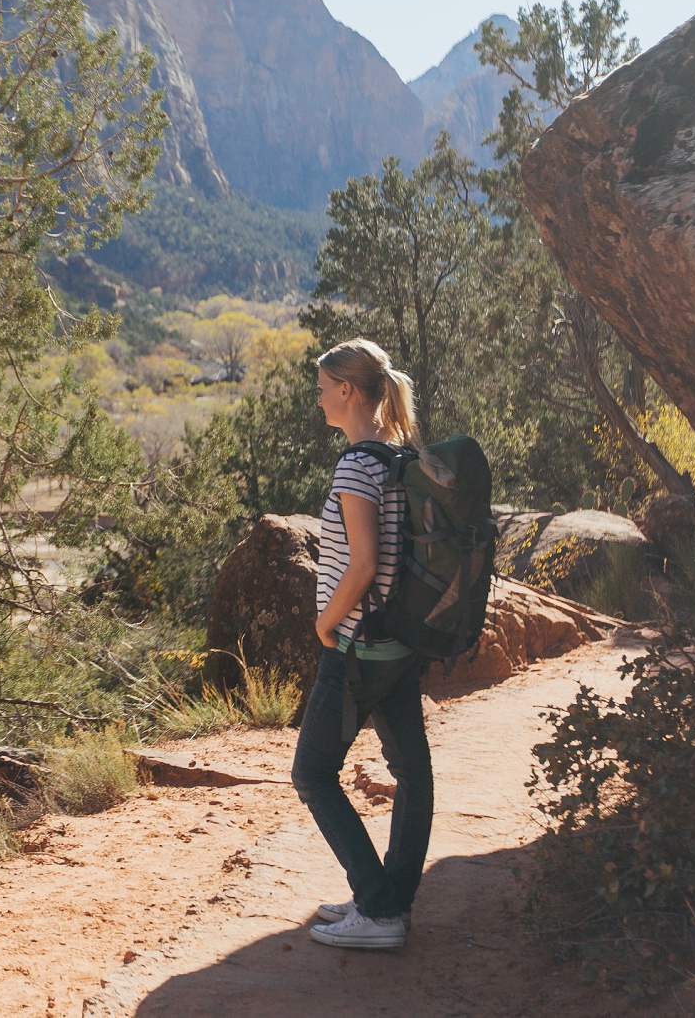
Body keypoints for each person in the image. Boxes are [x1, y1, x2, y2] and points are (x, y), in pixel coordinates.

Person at [293, 337, 433, 952]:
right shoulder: (399, 457)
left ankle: (377, 911)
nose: (319, 399)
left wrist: (327, 624)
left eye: (324, 388)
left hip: (357, 645)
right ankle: (389, 901)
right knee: (411, 772)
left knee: (313, 773)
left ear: (348, 391)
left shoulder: (356, 465)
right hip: (399, 641)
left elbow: (364, 565)